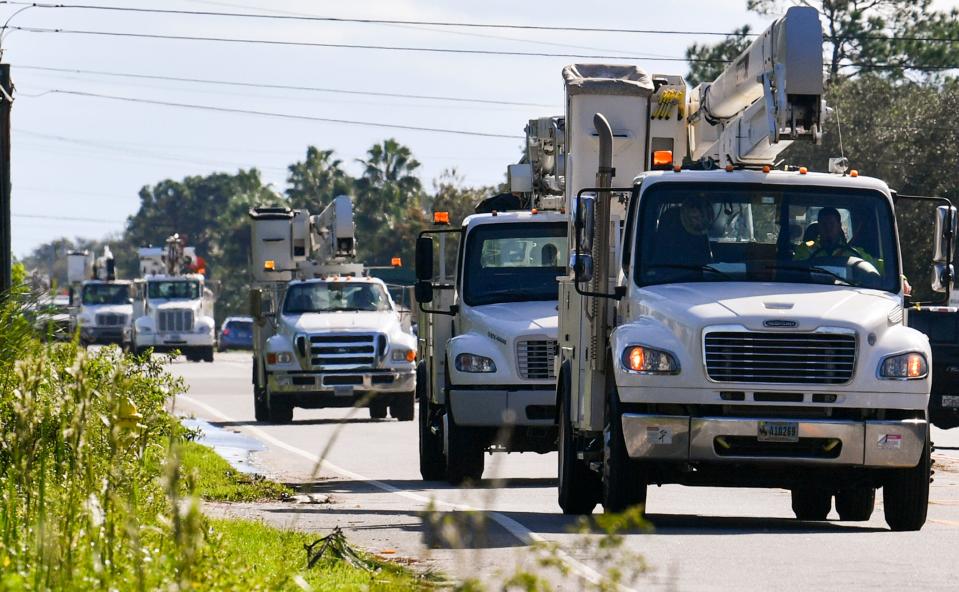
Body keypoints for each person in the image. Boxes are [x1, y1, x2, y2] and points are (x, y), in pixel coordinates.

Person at [795, 207, 883, 273]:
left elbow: (877, 267)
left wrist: (893, 268)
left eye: (831, 224)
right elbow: (795, 272)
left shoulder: (854, 253)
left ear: (839, 226)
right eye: (823, 224)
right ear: (818, 226)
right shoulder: (804, 249)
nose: (828, 228)